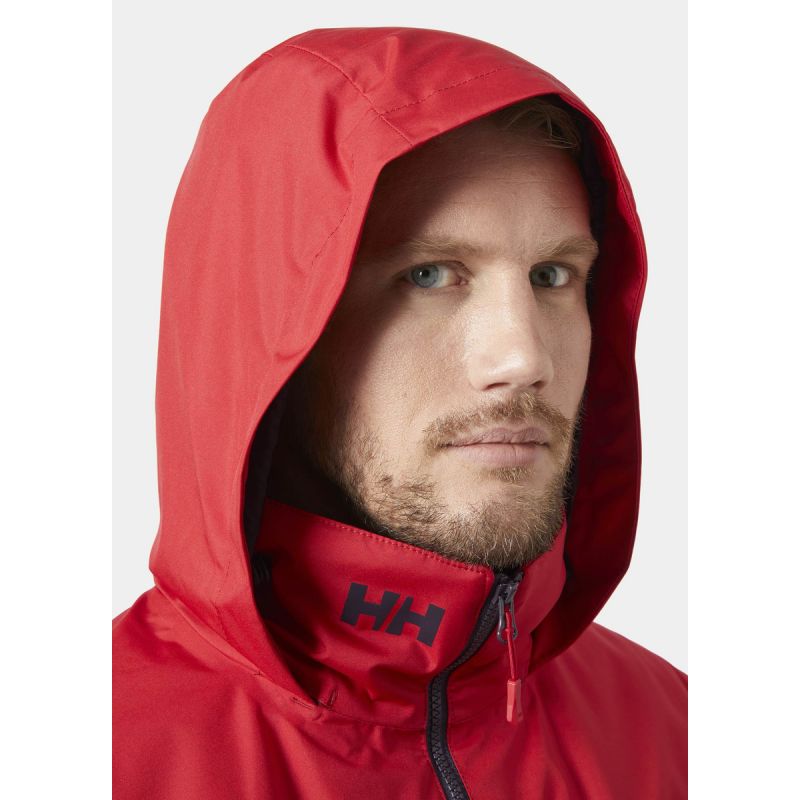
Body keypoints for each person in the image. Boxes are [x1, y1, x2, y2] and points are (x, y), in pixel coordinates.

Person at [113, 26, 687, 799]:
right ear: (268, 327)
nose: (524, 359)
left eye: (552, 275)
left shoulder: (678, 734)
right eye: (430, 275)